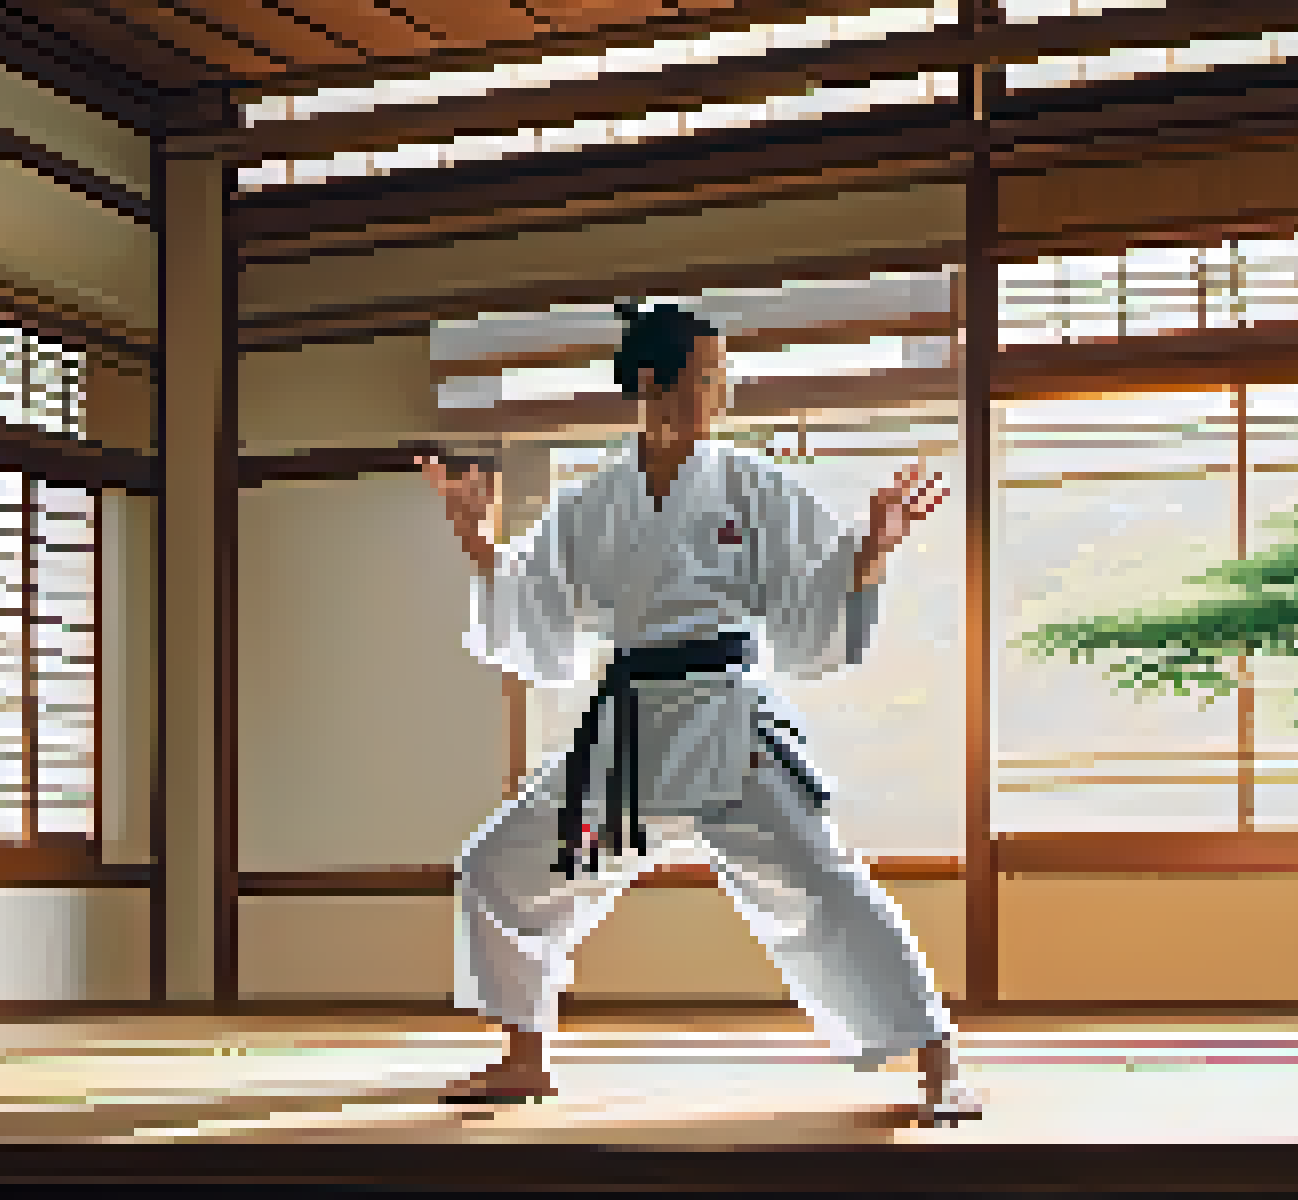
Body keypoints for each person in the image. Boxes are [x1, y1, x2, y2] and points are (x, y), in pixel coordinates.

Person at [416, 301, 979, 1125]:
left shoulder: (753, 487)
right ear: (653, 381)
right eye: (709, 377)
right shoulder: (591, 503)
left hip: (726, 722)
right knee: (500, 865)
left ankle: (938, 1059)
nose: (722, 394)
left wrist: (870, 550)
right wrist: (478, 543)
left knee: (824, 884)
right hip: (627, 735)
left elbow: (812, 599)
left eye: (723, 378)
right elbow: (538, 612)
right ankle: (524, 1054)